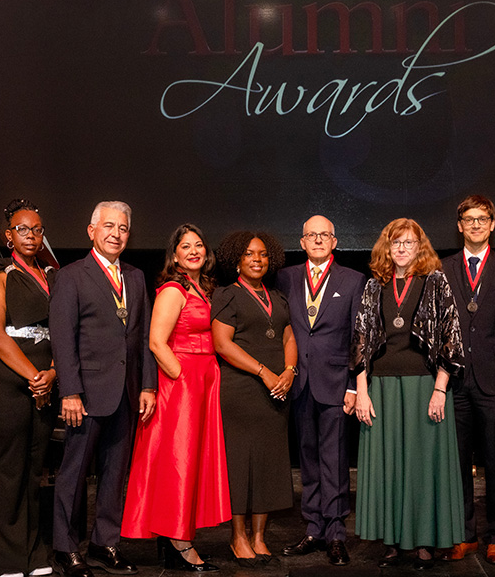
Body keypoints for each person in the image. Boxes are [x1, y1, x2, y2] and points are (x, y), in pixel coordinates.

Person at [50, 201, 158, 577]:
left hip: (126, 393)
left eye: (123, 228)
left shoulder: (137, 277)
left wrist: (147, 385)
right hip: (85, 395)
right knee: (73, 474)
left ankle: (104, 543)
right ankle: (65, 548)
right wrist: (69, 391)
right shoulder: (71, 276)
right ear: (91, 230)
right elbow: (63, 340)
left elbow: (143, 337)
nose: (116, 233)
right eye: (108, 226)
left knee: (115, 474)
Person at [352, 218, 466, 570]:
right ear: (387, 247)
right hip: (382, 388)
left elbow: (451, 337)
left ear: (420, 247)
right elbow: (359, 341)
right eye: (395, 242)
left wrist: (439, 390)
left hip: (423, 387)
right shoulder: (374, 286)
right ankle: (390, 542)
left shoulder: (434, 282)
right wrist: (361, 391)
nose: (402, 248)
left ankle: (423, 545)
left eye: (409, 242)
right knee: (388, 466)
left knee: (421, 467)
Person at [121, 224, 229, 572]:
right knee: (179, 463)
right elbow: (156, 341)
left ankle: (178, 537)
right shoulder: (172, 289)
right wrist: (182, 379)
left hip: (203, 381)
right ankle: (179, 543)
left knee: (193, 462)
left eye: (199, 245)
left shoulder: (204, 287)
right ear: (175, 255)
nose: (194, 251)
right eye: (186, 246)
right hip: (181, 383)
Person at [0, 199, 58, 577]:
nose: (31, 236)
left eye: (37, 230)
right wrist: (33, 378)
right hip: (3, 379)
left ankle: (33, 555)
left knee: (34, 469)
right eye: (23, 229)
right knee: (8, 468)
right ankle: (5, 560)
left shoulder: (53, 276)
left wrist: (52, 373)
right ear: (9, 235)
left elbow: (66, 333)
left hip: (44, 380)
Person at [439, 195, 495, 565]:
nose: (475, 225)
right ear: (459, 226)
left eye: (483, 218)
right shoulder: (442, 268)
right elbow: (439, 327)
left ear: (493, 224)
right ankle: (464, 535)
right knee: (455, 464)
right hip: (456, 382)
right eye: (469, 219)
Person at [277, 215, 365, 567]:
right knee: (308, 459)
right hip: (299, 383)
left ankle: (336, 533)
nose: (317, 240)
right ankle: (313, 527)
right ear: (301, 241)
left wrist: (352, 385)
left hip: (335, 385)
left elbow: (359, 336)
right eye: (311, 235)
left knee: (335, 460)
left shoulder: (353, 279)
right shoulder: (285, 277)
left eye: (323, 235)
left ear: (335, 240)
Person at [211, 231, 297, 566]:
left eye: (262, 254)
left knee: (269, 467)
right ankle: (238, 537)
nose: (257, 259)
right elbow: (223, 344)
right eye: (249, 254)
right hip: (242, 391)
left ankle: (260, 537)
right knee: (240, 466)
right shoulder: (227, 295)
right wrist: (264, 372)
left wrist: (289, 370)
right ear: (237, 261)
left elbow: (289, 335)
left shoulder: (277, 297)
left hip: (278, 392)